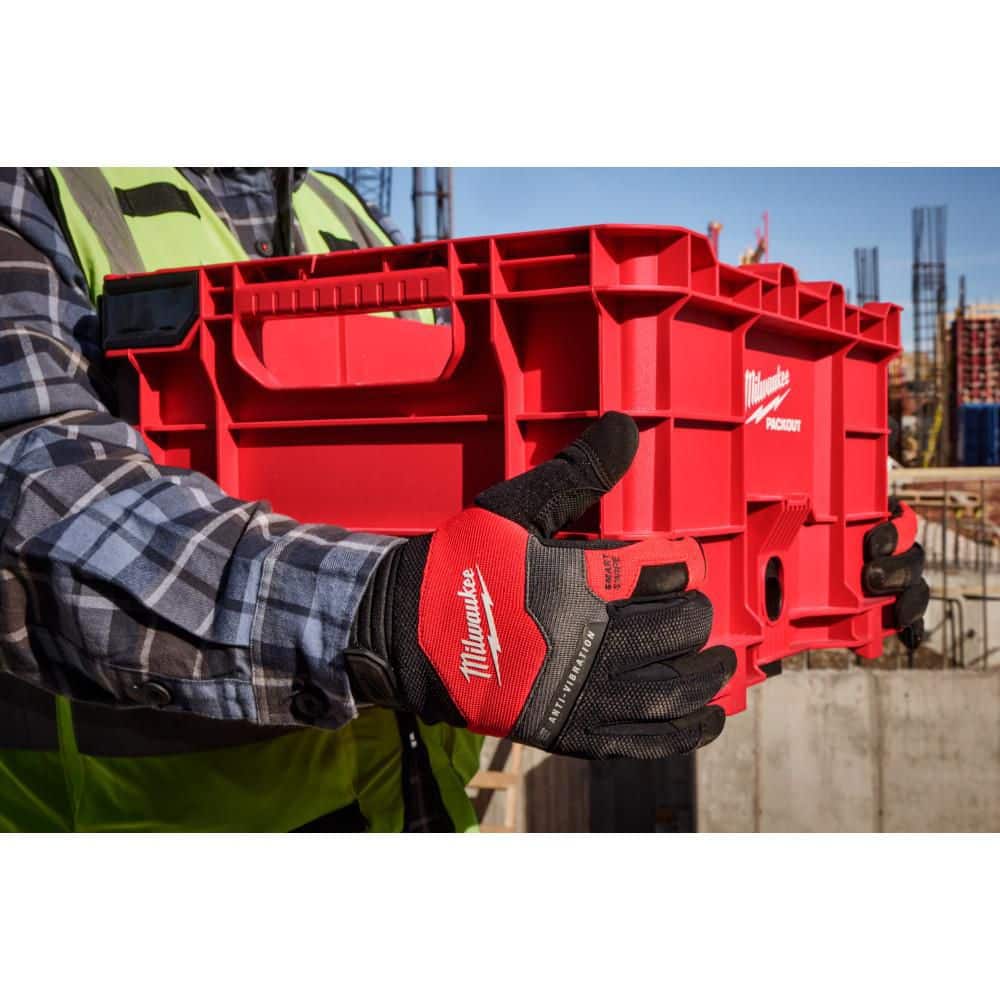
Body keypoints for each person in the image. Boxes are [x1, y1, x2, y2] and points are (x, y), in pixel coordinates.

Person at [0, 168, 930, 832]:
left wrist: (809, 573)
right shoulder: (42, 178)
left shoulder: (335, 207)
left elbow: (451, 478)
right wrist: (376, 614)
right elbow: (31, 481)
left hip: (405, 815)